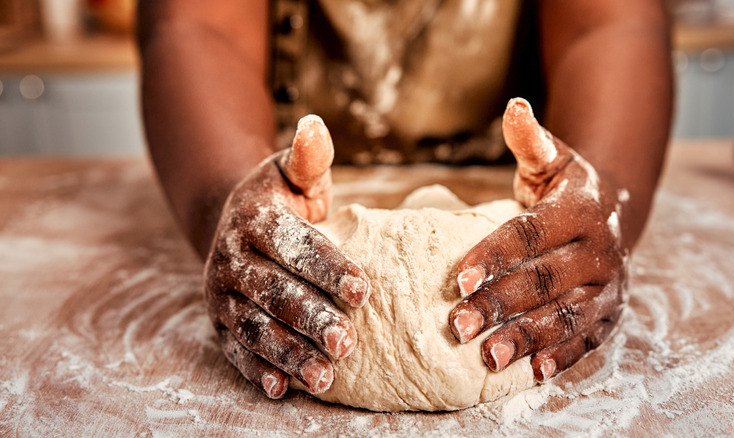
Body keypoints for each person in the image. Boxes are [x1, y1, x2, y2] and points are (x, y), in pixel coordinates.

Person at [137, 0, 673, 399]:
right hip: (289, 178)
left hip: (510, 174)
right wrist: (227, 196)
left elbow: (610, 24)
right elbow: (197, 26)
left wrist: (602, 191)